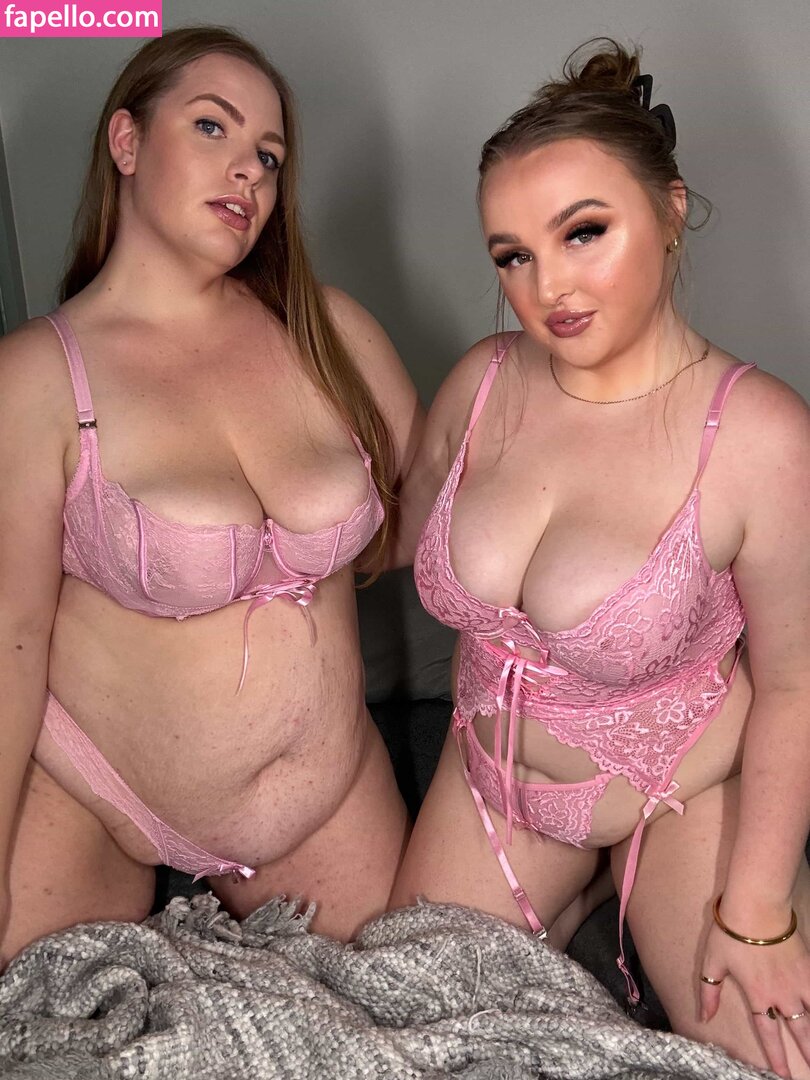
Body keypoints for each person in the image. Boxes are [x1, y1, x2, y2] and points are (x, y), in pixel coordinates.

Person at [391, 39, 810, 1079]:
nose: (548, 288)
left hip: (683, 786)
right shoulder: (481, 383)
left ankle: (633, 881)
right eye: (512, 255)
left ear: (669, 211)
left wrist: (757, 910)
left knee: (780, 1061)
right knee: (397, 1026)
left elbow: (797, 682)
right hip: (496, 786)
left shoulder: (758, 434)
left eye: (584, 232)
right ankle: (575, 888)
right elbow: (382, 534)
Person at [0, 25, 422, 967]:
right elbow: (10, 636)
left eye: (268, 155)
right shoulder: (36, 376)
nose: (248, 173)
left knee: (418, 1001)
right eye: (211, 127)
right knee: (40, 1019)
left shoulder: (328, 329)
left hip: (321, 799)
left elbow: (435, 513)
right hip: (92, 787)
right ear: (126, 142)